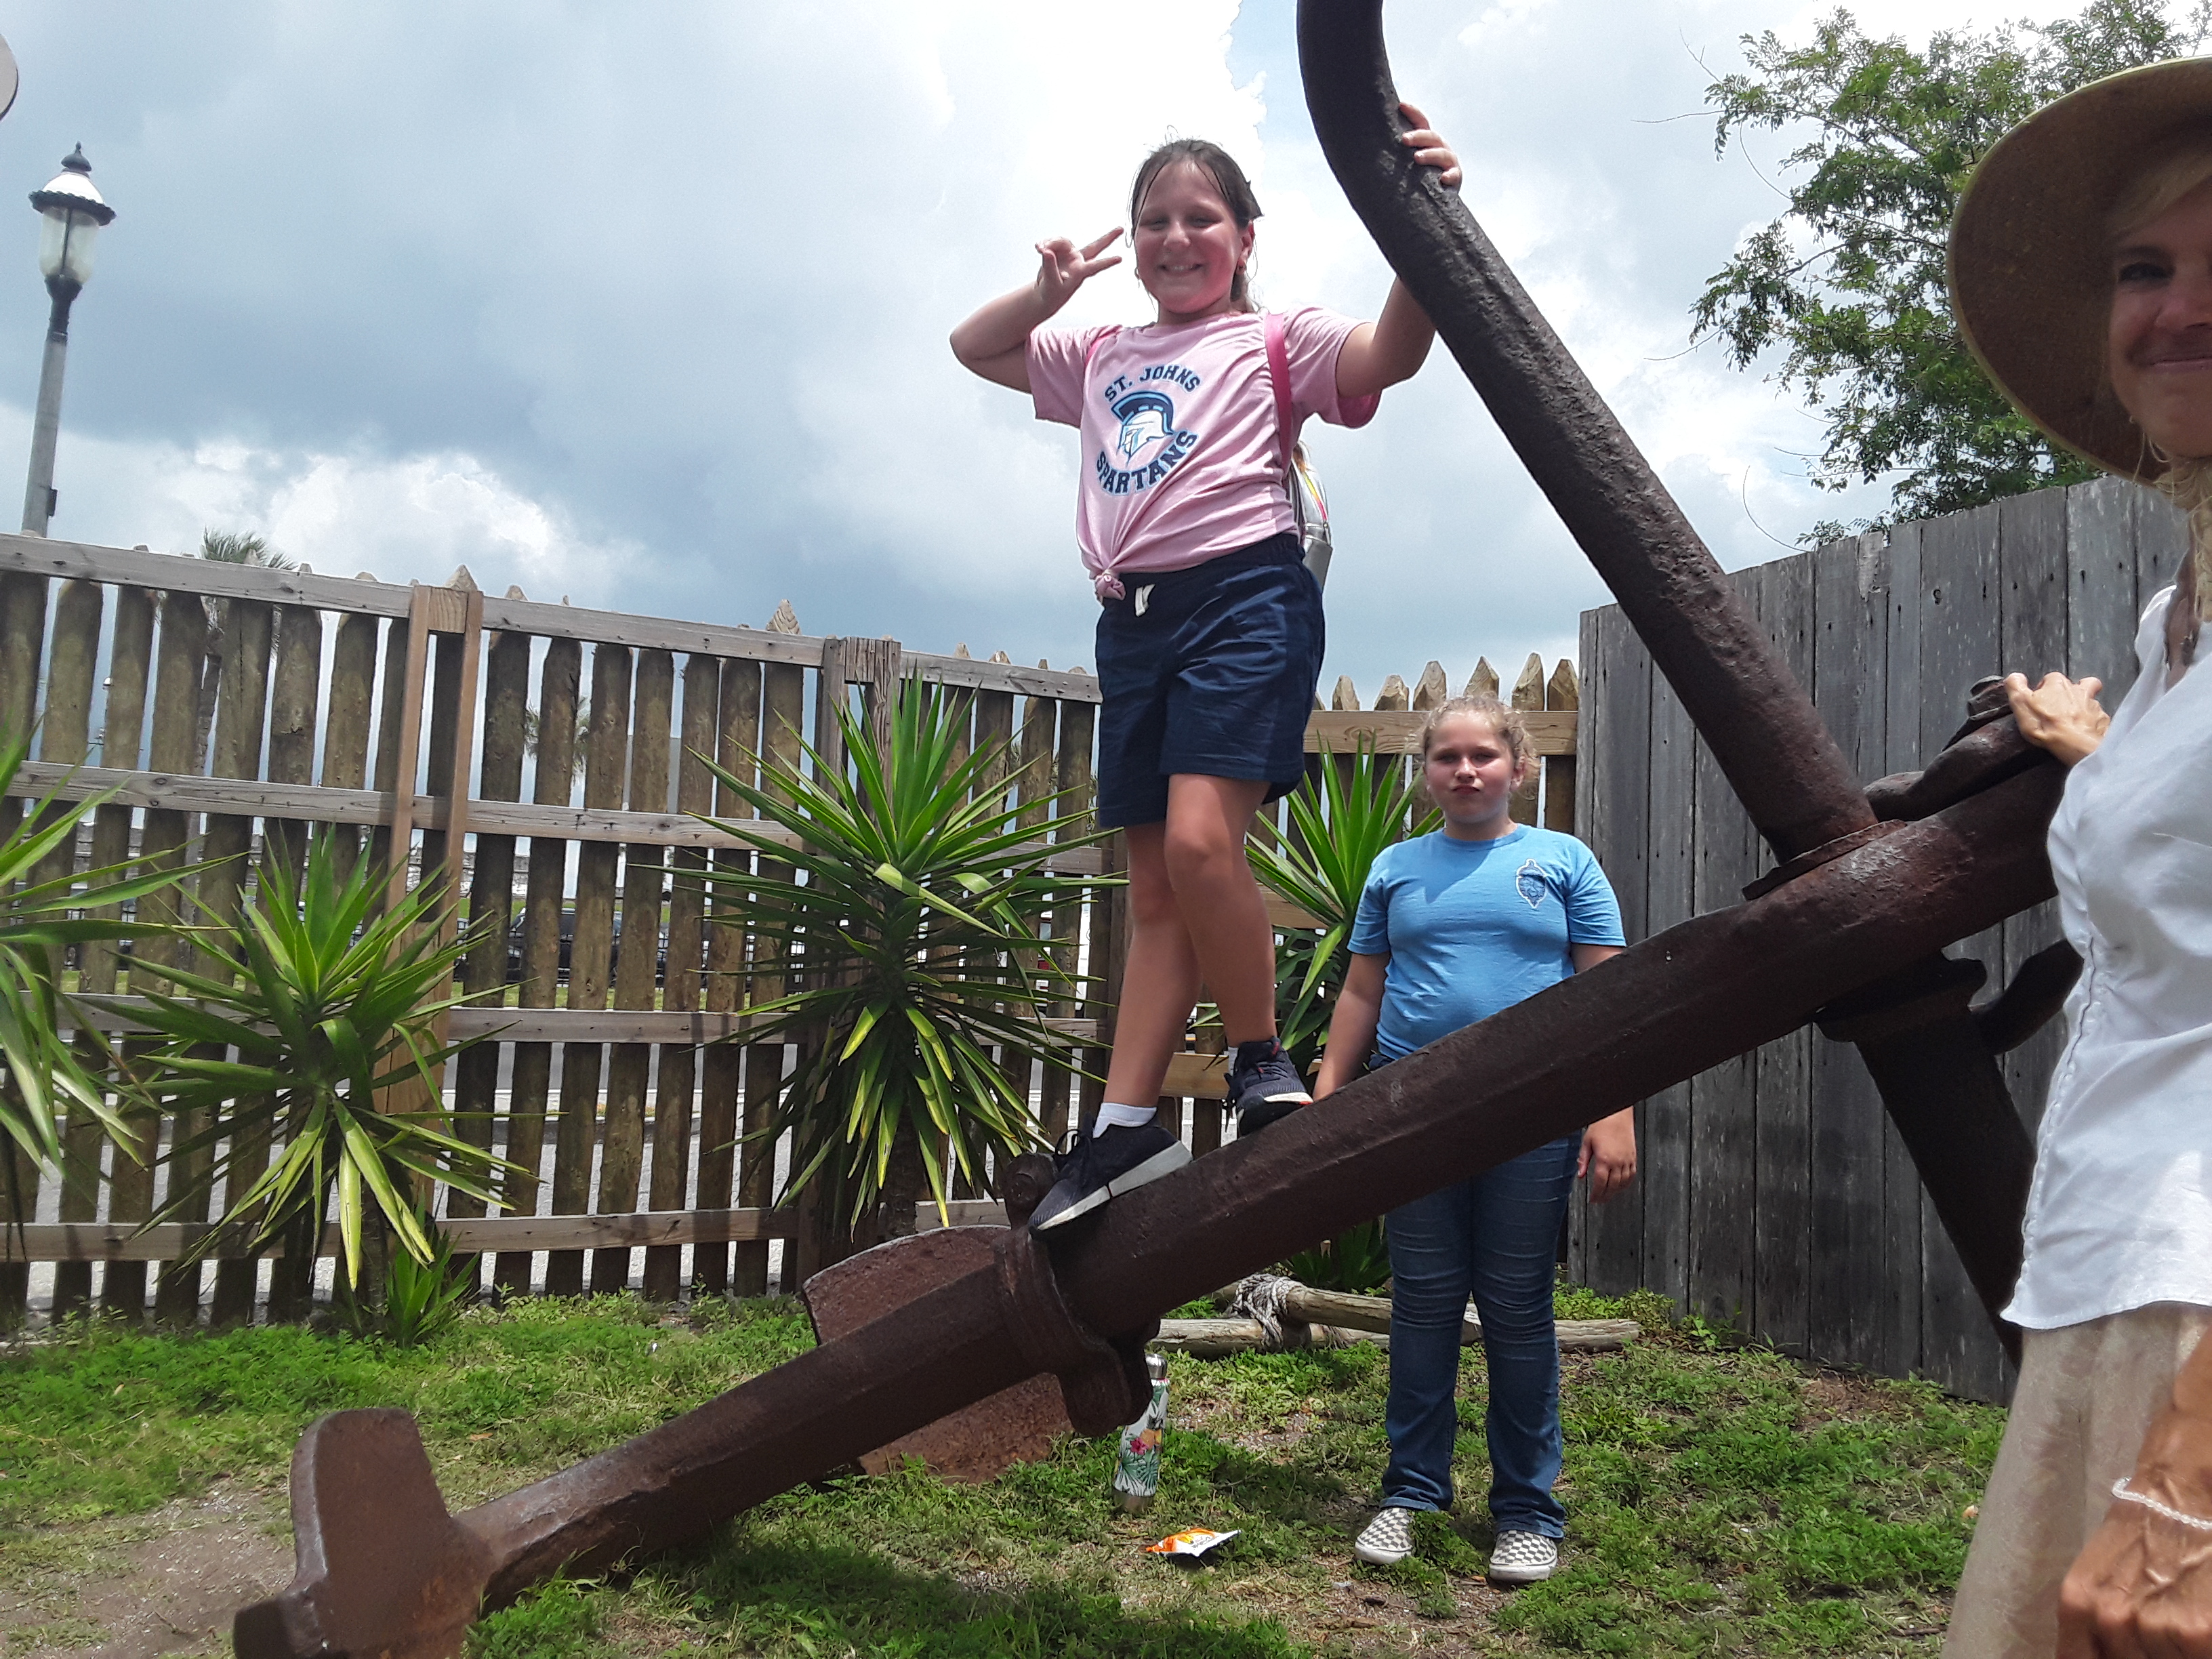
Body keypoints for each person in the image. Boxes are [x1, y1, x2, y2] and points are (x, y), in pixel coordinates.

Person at [949, 115, 1463, 1230]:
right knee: (1154, 894)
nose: (1176, 238)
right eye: (1154, 222)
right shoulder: (1101, 353)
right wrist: (1045, 294)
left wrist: (1421, 223)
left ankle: (1260, 1058)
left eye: (1201, 218)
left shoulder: (1276, 338)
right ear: (1132, 244)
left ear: (1243, 238)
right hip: (1132, 622)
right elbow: (973, 347)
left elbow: (1391, 354)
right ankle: (1125, 1125)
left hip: (1245, 598)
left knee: (1197, 844)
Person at [1942, 57, 2212, 1658]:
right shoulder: (2178, 625)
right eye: (2144, 266)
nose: (2180, 311)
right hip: (2124, 1288)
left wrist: (2190, 1483)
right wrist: (2105, 762)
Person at [1308, 697, 1636, 1584]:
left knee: (1517, 1307)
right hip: (1414, 1111)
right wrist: (1330, 1097)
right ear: (1426, 773)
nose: (1465, 770)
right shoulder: (1396, 869)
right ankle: (1411, 1494)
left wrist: (1613, 1113)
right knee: (1423, 1304)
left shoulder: (1563, 861)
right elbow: (1363, 991)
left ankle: (1527, 1511)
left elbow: (1610, 999)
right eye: (1446, 756)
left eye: (1483, 755)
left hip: (1531, 1113)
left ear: (1517, 767)